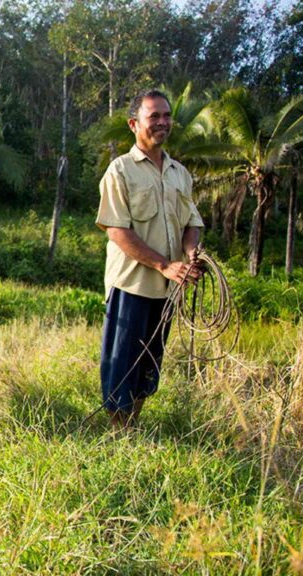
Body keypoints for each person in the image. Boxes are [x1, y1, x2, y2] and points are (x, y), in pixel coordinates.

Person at [96, 89, 204, 429]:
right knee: (120, 364)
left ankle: (133, 428)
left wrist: (190, 254)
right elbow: (117, 231)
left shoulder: (179, 173)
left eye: (166, 115)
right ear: (134, 124)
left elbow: (192, 223)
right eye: (153, 116)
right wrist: (164, 265)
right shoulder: (120, 171)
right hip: (131, 284)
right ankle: (119, 435)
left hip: (167, 289)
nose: (162, 122)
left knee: (148, 364)